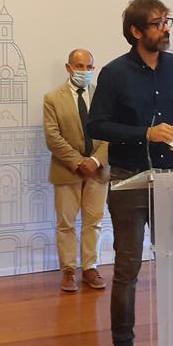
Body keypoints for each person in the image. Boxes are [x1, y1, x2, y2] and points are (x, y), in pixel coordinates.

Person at [87, 0, 173, 346]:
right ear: (136, 31)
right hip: (130, 179)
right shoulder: (114, 74)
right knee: (127, 271)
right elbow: (97, 126)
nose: (166, 28)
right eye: (157, 23)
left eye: (168, 20)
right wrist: (145, 133)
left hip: (172, 179)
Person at [43, 49, 110, 292]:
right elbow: (52, 136)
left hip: (98, 171)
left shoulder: (102, 96)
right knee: (66, 223)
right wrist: (78, 161)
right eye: (79, 66)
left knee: (94, 222)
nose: (84, 71)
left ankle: (90, 268)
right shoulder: (52, 98)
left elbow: (110, 133)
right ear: (68, 68)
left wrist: (95, 160)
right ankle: (69, 271)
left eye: (89, 67)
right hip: (67, 169)